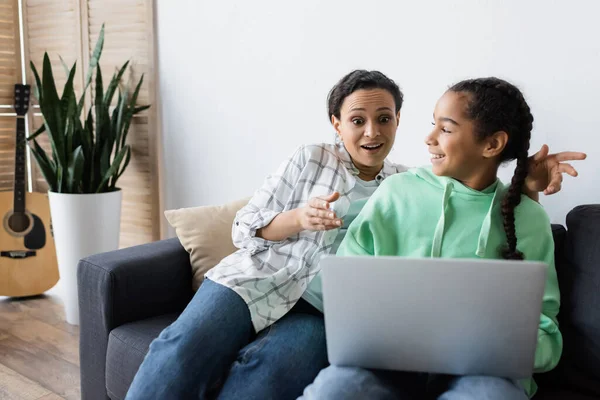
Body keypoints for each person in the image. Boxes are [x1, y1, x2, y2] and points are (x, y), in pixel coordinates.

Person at [125, 71, 585, 400]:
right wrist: (299, 220)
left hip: (455, 361)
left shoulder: (425, 190)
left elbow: (543, 328)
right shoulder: (361, 177)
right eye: (359, 119)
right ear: (336, 123)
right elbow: (271, 244)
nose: (375, 131)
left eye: (386, 118)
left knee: (274, 369)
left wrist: (526, 192)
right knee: (191, 350)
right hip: (272, 290)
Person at [299, 77, 564, 400]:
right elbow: (348, 298)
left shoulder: (528, 219)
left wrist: (493, 348)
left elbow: (547, 335)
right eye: (432, 125)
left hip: (482, 374)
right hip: (385, 365)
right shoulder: (396, 193)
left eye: (446, 129)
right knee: (334, 391)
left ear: (492, 145)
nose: (429, 139)